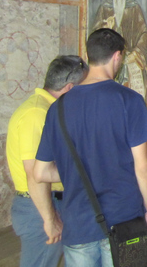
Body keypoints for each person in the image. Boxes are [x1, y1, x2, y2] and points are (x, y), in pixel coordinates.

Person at [34, 29, 147, 266]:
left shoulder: (57, 108)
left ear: (88, 56)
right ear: (117, 57)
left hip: (78, 223)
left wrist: (81, 171)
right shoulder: (128, 100)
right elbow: (142, 166)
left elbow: (40, 173)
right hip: (124, 220)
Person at [6, 55, 88, 267]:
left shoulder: (49, 109)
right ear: (70, 88)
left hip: (51, 203)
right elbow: (34, 173)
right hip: (40, 207)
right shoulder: (36, 113)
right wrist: (49, 220)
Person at [92, 0, 147, 96]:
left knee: (133, 90)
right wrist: (108, 27)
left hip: (130, 56)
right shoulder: (104, 7)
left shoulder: (134, 7)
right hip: (109, 57)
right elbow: (95, 33)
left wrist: (136, 53)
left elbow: (143, 32)